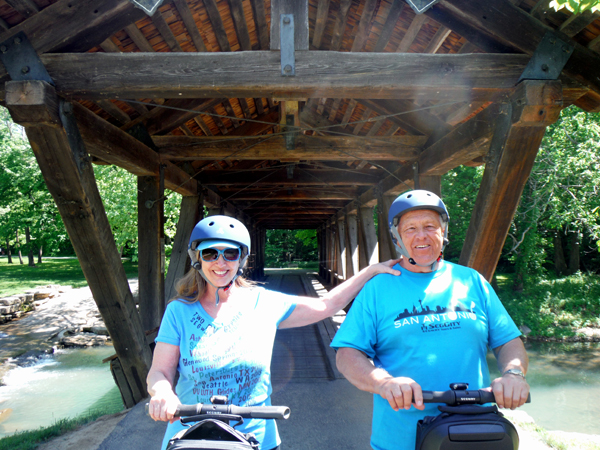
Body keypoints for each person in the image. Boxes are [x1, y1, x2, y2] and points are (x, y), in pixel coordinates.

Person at [147, 215, 401, 450]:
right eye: (210, 253)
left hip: (255, 438)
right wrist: (162, 393)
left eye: (231, 253)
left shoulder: (263, 303)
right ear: (197, 258)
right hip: (190, 437)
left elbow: (326, 305)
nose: (220, 262)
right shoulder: (178, 312)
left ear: (242, 259)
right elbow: (160, 371)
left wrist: (370, 271)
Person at [332, 190, 529, 450]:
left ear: (443, 231)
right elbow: (347, 355)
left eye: (430, 226)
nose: (421, 235)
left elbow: (508, 342)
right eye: (411, 228)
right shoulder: (377, 289)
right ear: (397, 237)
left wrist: (514, 375)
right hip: (401, 437)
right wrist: (384, 382)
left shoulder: (472, 281)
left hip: (473, 431)